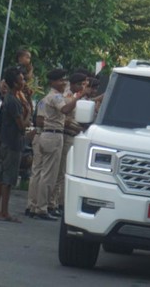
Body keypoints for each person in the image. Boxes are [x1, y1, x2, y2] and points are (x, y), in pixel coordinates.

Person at [29, 69, 91, 220]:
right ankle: (41, 208)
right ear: (53, 82)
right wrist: (81, 96)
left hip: (49, 134)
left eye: (64, 80)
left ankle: (35, 205)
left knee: (42, 173)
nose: (64, 83)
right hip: (53, 134)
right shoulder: (56, 96)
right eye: (60, 80)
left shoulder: (51, 96)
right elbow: (64, 109)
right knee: (48, 176)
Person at [0, 67, 30, 222]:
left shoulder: (11, 98)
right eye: (21, 79)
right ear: (14, 83)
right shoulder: (13, 101)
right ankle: (4, 212)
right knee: (8, 179)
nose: (24, 82)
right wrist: (27, 112)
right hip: (13, 142)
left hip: (6, 140)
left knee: (2, 177)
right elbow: (22, 125)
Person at [50, 72, 87, 216]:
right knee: (58, 173)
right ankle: (53, 203)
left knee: (63, 172)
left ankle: (56, 203)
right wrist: (78, 128)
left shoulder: (74, 96)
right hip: (65, 134)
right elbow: (65, 117)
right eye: (81, 84)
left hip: (70, 134)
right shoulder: (67, 96)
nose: (83, 87)